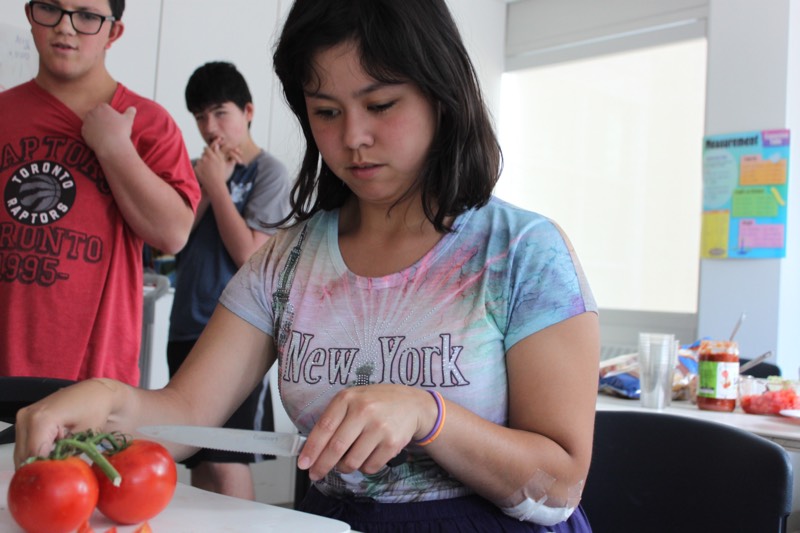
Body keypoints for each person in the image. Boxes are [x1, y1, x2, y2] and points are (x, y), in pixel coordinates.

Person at [14, 0, 600, 531]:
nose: (353, 138)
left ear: (441, 95)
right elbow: (184, 413)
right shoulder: (287, 261)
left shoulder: (522, 252)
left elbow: (560, 484)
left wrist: (428, 413)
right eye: (325, 112)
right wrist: (103, 400)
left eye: (381, 104)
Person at [0, 0, 200, 386]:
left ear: (114, 32)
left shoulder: (148, 123)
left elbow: (173, 233)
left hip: (95, 382)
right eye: (50, 9)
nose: (66, 27)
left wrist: (115, 150)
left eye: (87, 16)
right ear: (30, 14)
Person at [167, 61, 292, 499]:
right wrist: (205, 184)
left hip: (236, 336)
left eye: (220, 113)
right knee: (198, 457)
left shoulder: (269, 173)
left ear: (248, 111)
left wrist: (218, 187)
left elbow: (250, 255)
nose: (209, 127)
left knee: (227, 456)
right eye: (200, 116)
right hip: (185, 326)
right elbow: (173, 242)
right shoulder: (202, 169)